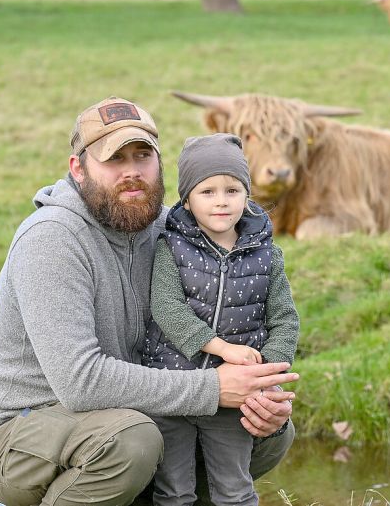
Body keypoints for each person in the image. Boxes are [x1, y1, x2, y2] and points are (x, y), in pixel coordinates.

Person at [0, 97, 299, 506]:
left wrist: (261, 395)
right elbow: (81, 383)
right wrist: (214, 388)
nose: (131, 172)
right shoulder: (52, 240)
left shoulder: (173, 231)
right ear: (79, 168)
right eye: (114, 159)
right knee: (131, 444)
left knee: (266, 430)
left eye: (142, 156)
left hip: (121, 413)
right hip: (17, 426)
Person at [141, 133, 300, 506]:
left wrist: (267, 375)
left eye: (232, 190)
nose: (221, 202)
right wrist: (222, 348)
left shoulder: (267, 256)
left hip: (234, 400)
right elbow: (166, 307)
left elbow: (285, 320)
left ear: (247, 195)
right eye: (207, 192)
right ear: (187, 199)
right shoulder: (170, 246)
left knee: (235, 489)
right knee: (174, 492)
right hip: (174, 390)